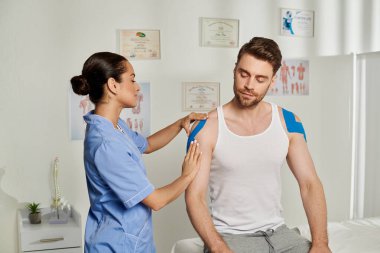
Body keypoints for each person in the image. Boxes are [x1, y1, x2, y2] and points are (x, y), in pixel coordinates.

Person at [185, 37, 331, 253]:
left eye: (260, 79)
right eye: (243, 74)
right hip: (230, 237)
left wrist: (321, 243)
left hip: (279, 234)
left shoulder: (288, 122)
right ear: (234, 70)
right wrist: (217, 247)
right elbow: (194, 196)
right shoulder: (206, 127)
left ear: (272, 81)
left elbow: (310, 183)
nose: (249, 85)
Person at [70, 52, 206, 253]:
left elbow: (148, 144)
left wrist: (180, 124)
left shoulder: (114, 127)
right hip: (117, 245)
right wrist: (188, 175)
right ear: (113, 85)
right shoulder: (107, 143)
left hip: (133, 241)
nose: (137, 86)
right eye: (132, 79)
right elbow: (156, 201)